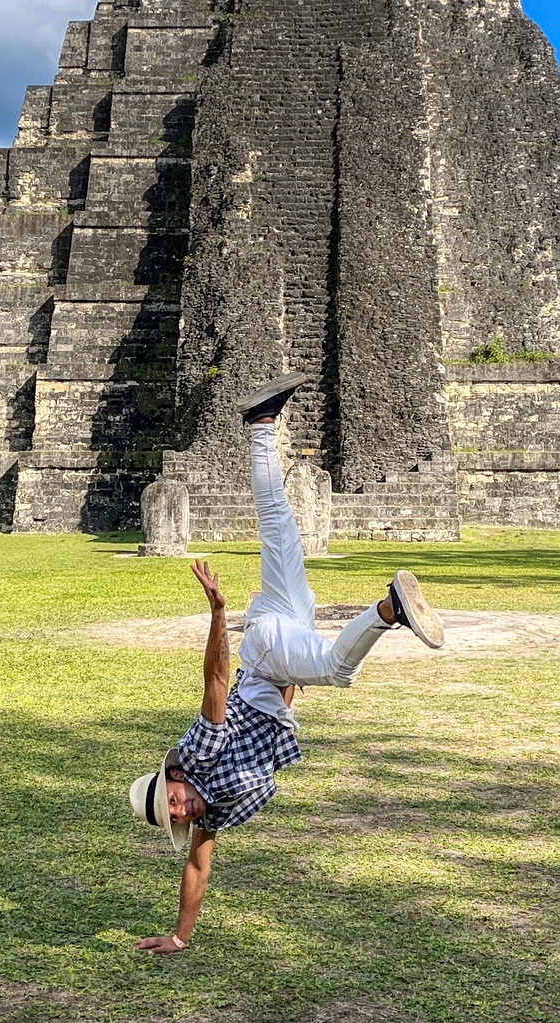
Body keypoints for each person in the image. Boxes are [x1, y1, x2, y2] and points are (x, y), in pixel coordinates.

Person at [128, 373, 446, 953]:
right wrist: (179, 935)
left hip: (262, 654)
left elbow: (218, 682)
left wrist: (221, 614)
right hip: (278, 645)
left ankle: (388, 607)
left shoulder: (197, 754)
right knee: (279, 526)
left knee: (337, 669)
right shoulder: (213, 816)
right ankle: (262, 423)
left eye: (172, 800)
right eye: (177, 816)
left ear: (172, 778)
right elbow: (197, 870)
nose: (183, 809)